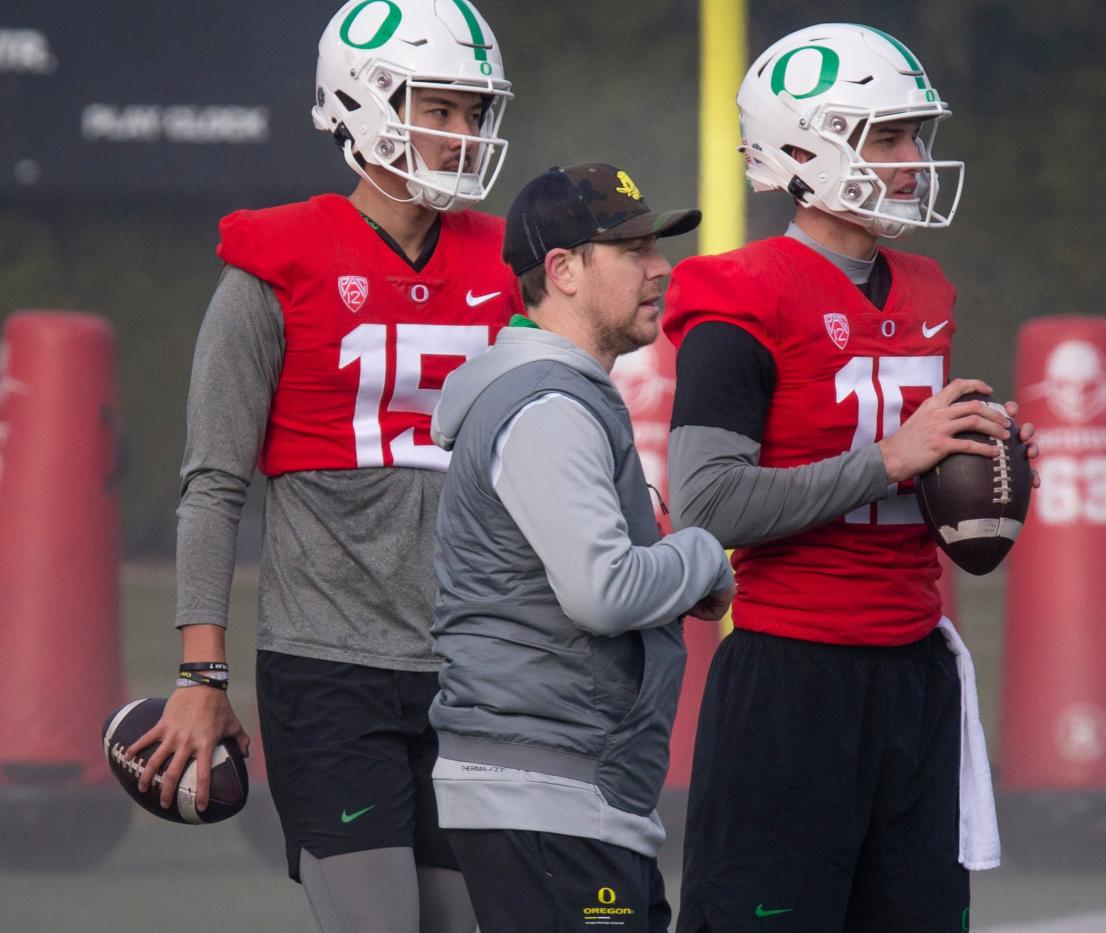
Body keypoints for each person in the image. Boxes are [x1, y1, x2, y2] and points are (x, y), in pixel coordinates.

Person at [128, 2, 519, 931]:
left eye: (474, 112)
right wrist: (202, 675)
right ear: (365, 102)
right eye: (441, 108)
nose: (464, 136)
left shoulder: (512, 265)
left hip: (475, 666)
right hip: (330, 665)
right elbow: (214, 482)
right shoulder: (276, 264)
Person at [663, 25, 1039, 933]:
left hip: (913, 673)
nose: (914, 162)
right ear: (802, 147)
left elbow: (920, 478)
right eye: (887, 137)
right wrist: (891, 458)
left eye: (916, 135)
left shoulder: (923, 290)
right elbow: (708, 503)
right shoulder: (740, 295)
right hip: (793, 678)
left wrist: (983, 465)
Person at [427, 163, 736, 932]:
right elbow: (602, 590)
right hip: (549, 794)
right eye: (631, 247)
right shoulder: (550, 405)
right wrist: (703, 555)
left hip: (560, 793)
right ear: (561, 269)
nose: (659, 266)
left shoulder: (554, 394)